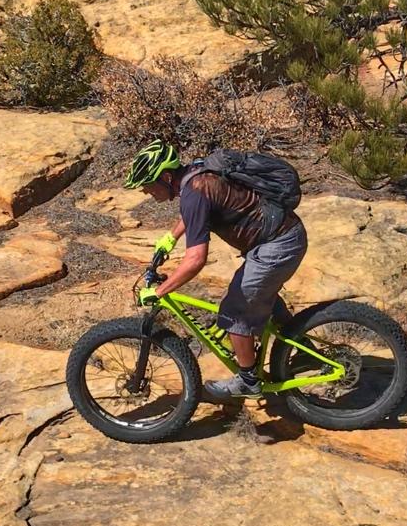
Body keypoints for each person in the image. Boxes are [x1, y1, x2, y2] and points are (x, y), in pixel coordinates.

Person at [123, 140, 308, 399]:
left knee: (235, 312)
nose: (146, 192)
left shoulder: (193, 192)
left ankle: (248, 382)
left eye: (148, 184)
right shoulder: (196, 173)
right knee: (262, 298)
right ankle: (303, 347)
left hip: (277, 244)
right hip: (281, 235)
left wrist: (160, 291)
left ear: (165, 176)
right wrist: (171, 238)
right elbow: (196, 212)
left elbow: (196, 259)